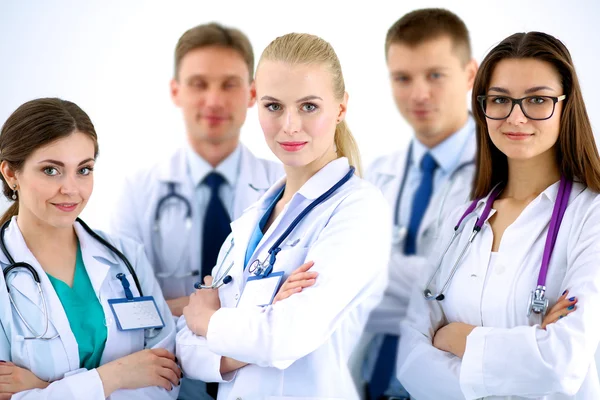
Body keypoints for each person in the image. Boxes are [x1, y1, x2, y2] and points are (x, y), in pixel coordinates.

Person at [175, 32, 391, 399]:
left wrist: (208, 320)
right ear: (256, 104)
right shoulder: (250, 220)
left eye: (308, 106)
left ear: (340, 108)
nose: (289, 125)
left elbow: (288, 336)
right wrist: (260, 322)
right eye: (274, 106)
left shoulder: (359, 210)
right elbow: (187, 352)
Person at [397, 31, 600, 399]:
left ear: (566, 105)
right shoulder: (461, 220)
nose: (516, 117)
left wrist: (454, 336)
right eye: (500, 100)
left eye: (537, 100)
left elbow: (560, 364)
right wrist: (526, 345)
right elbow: (409, 358)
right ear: (483, 107)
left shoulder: (591, 215)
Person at [109, 23, 283, 399]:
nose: (214, 101)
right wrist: (237, 306)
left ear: (252, 93)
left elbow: (297, 301)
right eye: (199, 83)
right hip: (166, 380)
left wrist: (176, 307)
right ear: (176, 91)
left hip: (258, 380)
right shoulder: (139, 191)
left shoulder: (284, 186)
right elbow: (125, 312)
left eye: (229, 84)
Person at [0, 98, 180, 399]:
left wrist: (46, 391)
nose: (71, 189)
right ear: (10, 174)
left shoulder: (126, 258)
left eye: (83, 170)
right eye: (51, 171)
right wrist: (116, 375)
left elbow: (166, 380)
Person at [358, 8, 478, 399]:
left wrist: (368, 277)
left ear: (470, 75)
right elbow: (337, 284)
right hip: (367, 379)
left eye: (435, 75)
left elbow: (469, 300)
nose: (418, 94)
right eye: (403, 78)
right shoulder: (375, 175)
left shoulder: (502, 177)